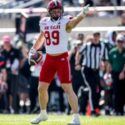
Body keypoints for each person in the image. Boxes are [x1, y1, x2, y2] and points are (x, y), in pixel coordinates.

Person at [28, 0, 89, 124]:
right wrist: (33, 49)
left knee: (67, 88)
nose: (56, 13)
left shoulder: (65, 21)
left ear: (62, 11)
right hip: (49, 58)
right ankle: (43, 114)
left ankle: (76, 118)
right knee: (41, 88)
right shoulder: (44, 22)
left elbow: (73, 24)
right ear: (49, 12)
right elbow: (41, 37)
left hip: (61, 58)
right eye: (54, 11)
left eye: (58, 11)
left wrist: (81, 15)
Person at [75, 32, 108, 116]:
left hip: (96, 71)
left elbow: (105, 59)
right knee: (92, 88)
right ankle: (93, 110)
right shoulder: (87, 45)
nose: (96, 38)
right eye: (95, 36)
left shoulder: (102, 46)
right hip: (87, 70)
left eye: (97, 36)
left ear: (99, 37)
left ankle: (95, 107)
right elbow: (79, 52)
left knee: (98, 89)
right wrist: (77, 63)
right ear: (93, 37)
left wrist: (104, 67)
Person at [107, 33, 125, 115]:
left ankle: (121, 110)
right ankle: (116, 110)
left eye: (121, 41)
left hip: (123, 73)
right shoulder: (112, 52)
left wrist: (123, 72)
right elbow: (110, 63)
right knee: (116, 92)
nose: (119, 43)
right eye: (118, 41)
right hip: (115, 73)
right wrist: (107, 74)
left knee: (122, 92)